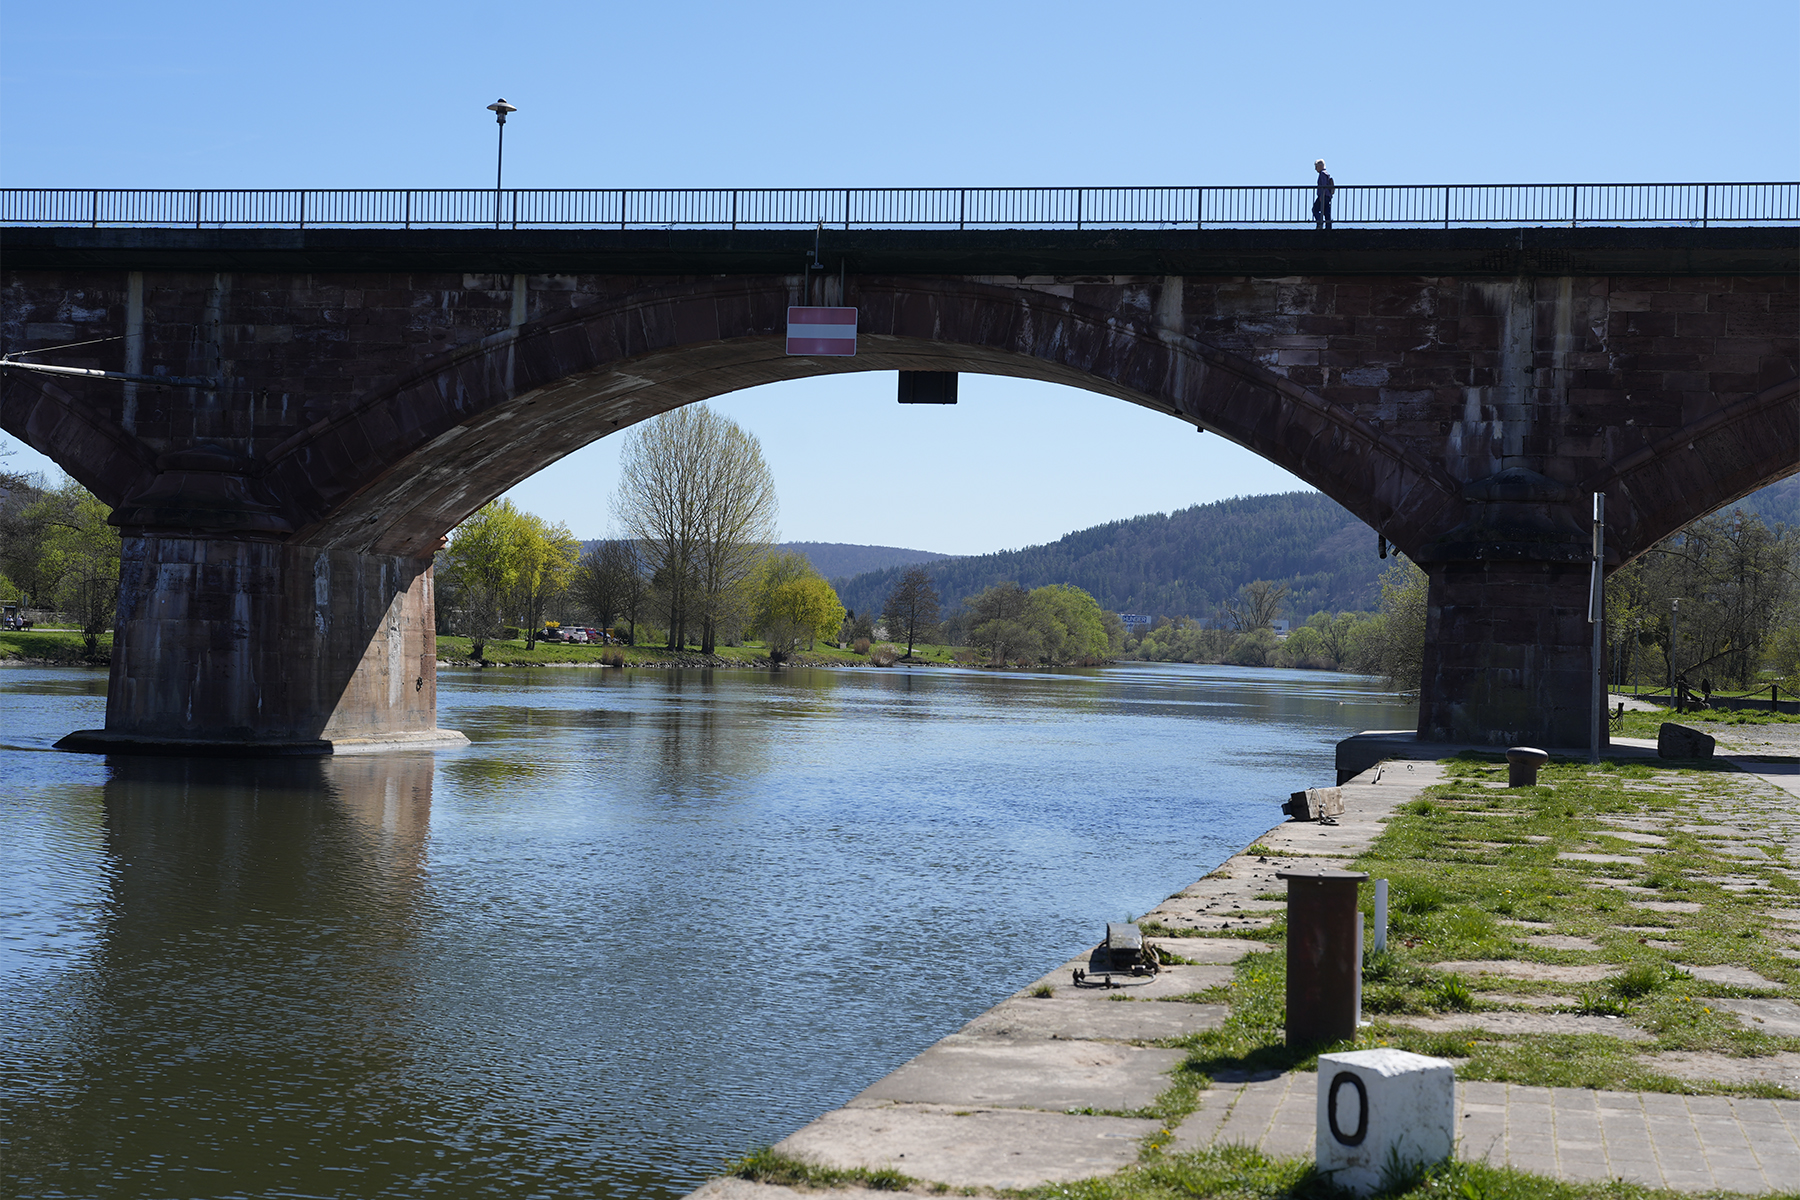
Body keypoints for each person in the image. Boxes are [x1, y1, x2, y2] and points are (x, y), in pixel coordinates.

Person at [1312, 159, 1334, 229]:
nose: (1315, 169)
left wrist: (1321, 195)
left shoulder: (1322, 174)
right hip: (1328, 196)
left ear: (1320, 166)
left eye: (1316, 166)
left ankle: (1319, 223)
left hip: (1323, 195)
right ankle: (1328, 228)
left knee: (1315, 209)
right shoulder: (1326, 174)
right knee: (1327, 212)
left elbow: (1323, 186)